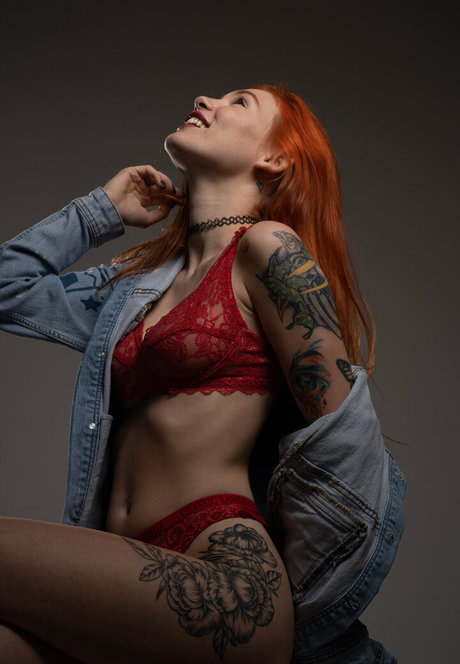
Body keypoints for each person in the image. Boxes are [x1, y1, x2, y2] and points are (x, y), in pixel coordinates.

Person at [0, 84, 406, 663]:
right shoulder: (136, 285)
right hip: (120, 575)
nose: (206, 99)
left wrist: (315, 619)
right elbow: (7, 289)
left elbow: (344, 440)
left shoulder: (268, 248)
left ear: (274, 158)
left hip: (224, 578)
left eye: (240, 102)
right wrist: (102, 210)